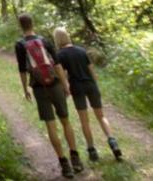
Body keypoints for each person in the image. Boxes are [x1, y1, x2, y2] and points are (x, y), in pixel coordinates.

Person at [15, 13, 82, 177]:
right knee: (65, 121)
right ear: (33, 24)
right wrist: (66, 85)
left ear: (21, 26)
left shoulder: (20, 44)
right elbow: (57, 65)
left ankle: (64, 163)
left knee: (50, 125)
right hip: (55, 84)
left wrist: (25, 89)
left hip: (39, 88)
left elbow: (22, 70)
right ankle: (75, 159)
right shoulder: (44, 40)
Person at [53, 26, 122, 162]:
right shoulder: (81, 50)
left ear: (57, 39)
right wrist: (95, 86)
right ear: (67, 36)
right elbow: (92, 71)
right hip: (90, 85)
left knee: (85, 121)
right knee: (101, 116)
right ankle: (112, 140)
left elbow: (63, 75)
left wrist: (65, 88)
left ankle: (92, 150)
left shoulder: (60, 55)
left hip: (77, 87)